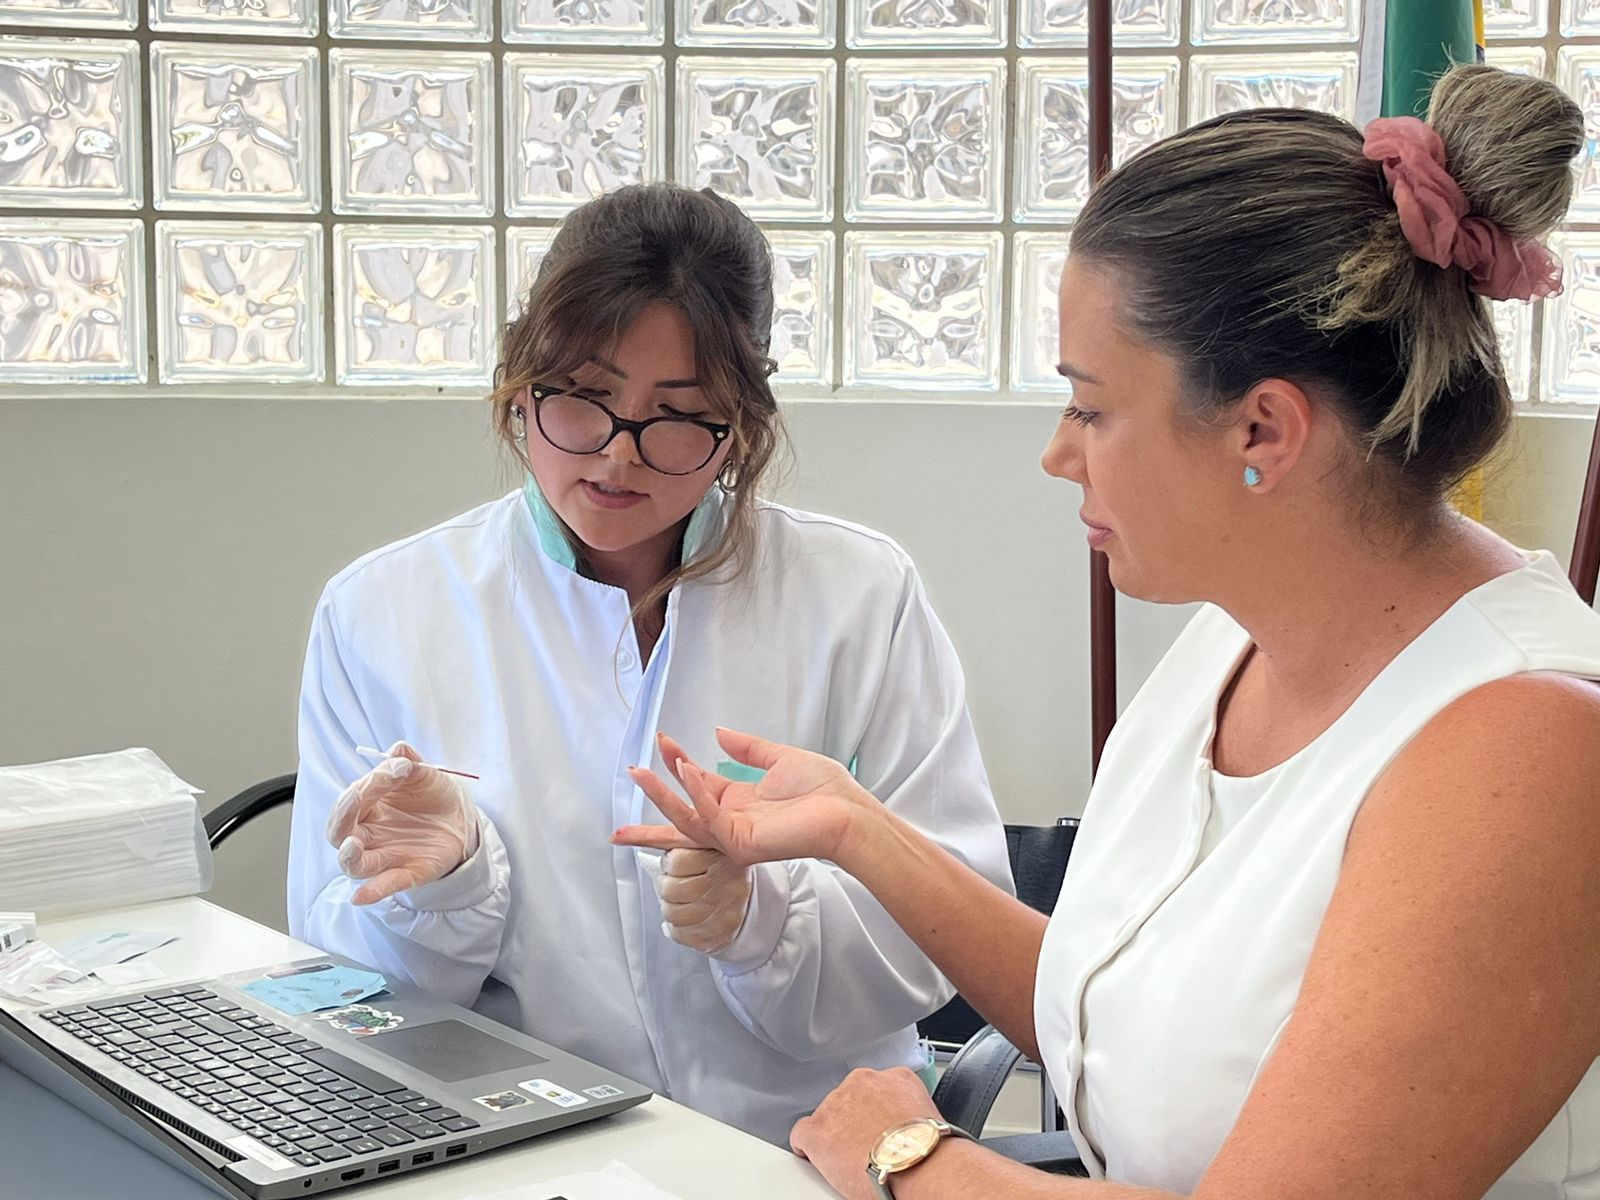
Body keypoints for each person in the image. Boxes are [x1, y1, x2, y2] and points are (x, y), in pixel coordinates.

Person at [618, 66, 1600, 1199]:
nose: (1058, 452)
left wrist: (913, 1160)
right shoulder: (1231, 650)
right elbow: (1114, 1018)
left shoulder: (1526, 753)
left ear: (1262, 428)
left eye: (1089, 405)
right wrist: (855, 830)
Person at [287, 183, 1012, 1145]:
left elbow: (942, 928)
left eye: (677, 416)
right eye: (584, 400)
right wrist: (443, 891)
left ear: (742, 423)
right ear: (521, 384)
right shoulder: (382, 611)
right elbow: (343, 991)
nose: (617, 458)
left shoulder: (858, 597)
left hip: (807, 1146)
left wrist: (763, 921)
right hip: (528, 1151)